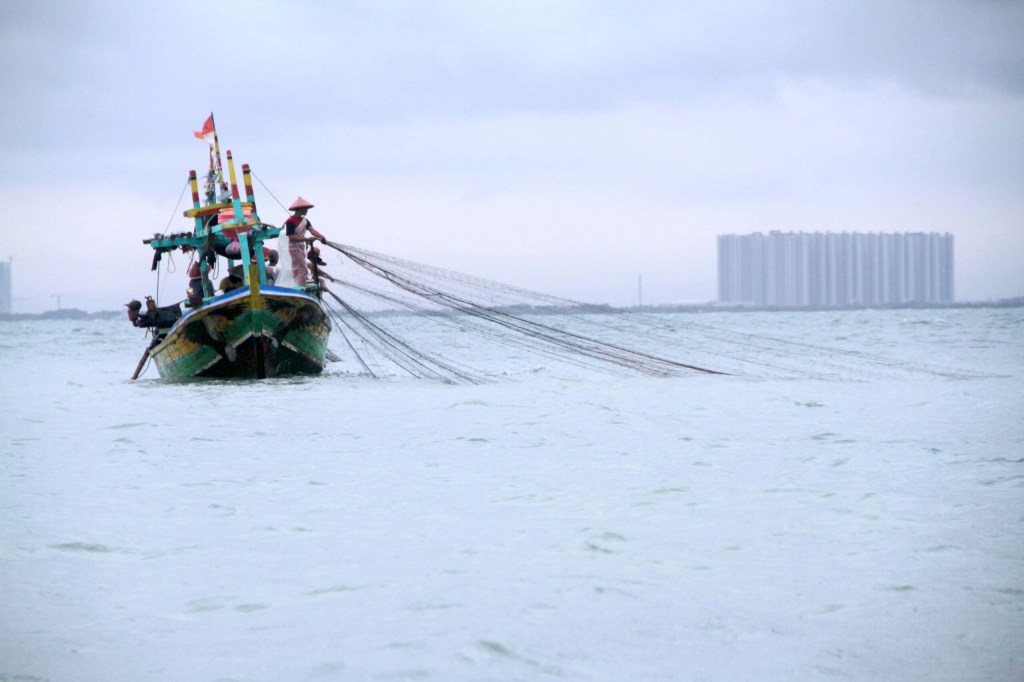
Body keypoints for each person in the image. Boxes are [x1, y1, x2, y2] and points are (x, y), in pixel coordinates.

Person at [284, 197, 326, 284]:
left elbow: (312, 230)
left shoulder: (305, 221)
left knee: (302, 266)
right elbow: (292, 238)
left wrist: (321, 236)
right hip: (294, 248)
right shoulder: (290, 221)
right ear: (300, 209)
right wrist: (307, 239)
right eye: (305, 209)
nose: (307, 211)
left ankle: (302, 283)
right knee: (301, 267)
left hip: (301, 247)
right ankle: (300, 285)